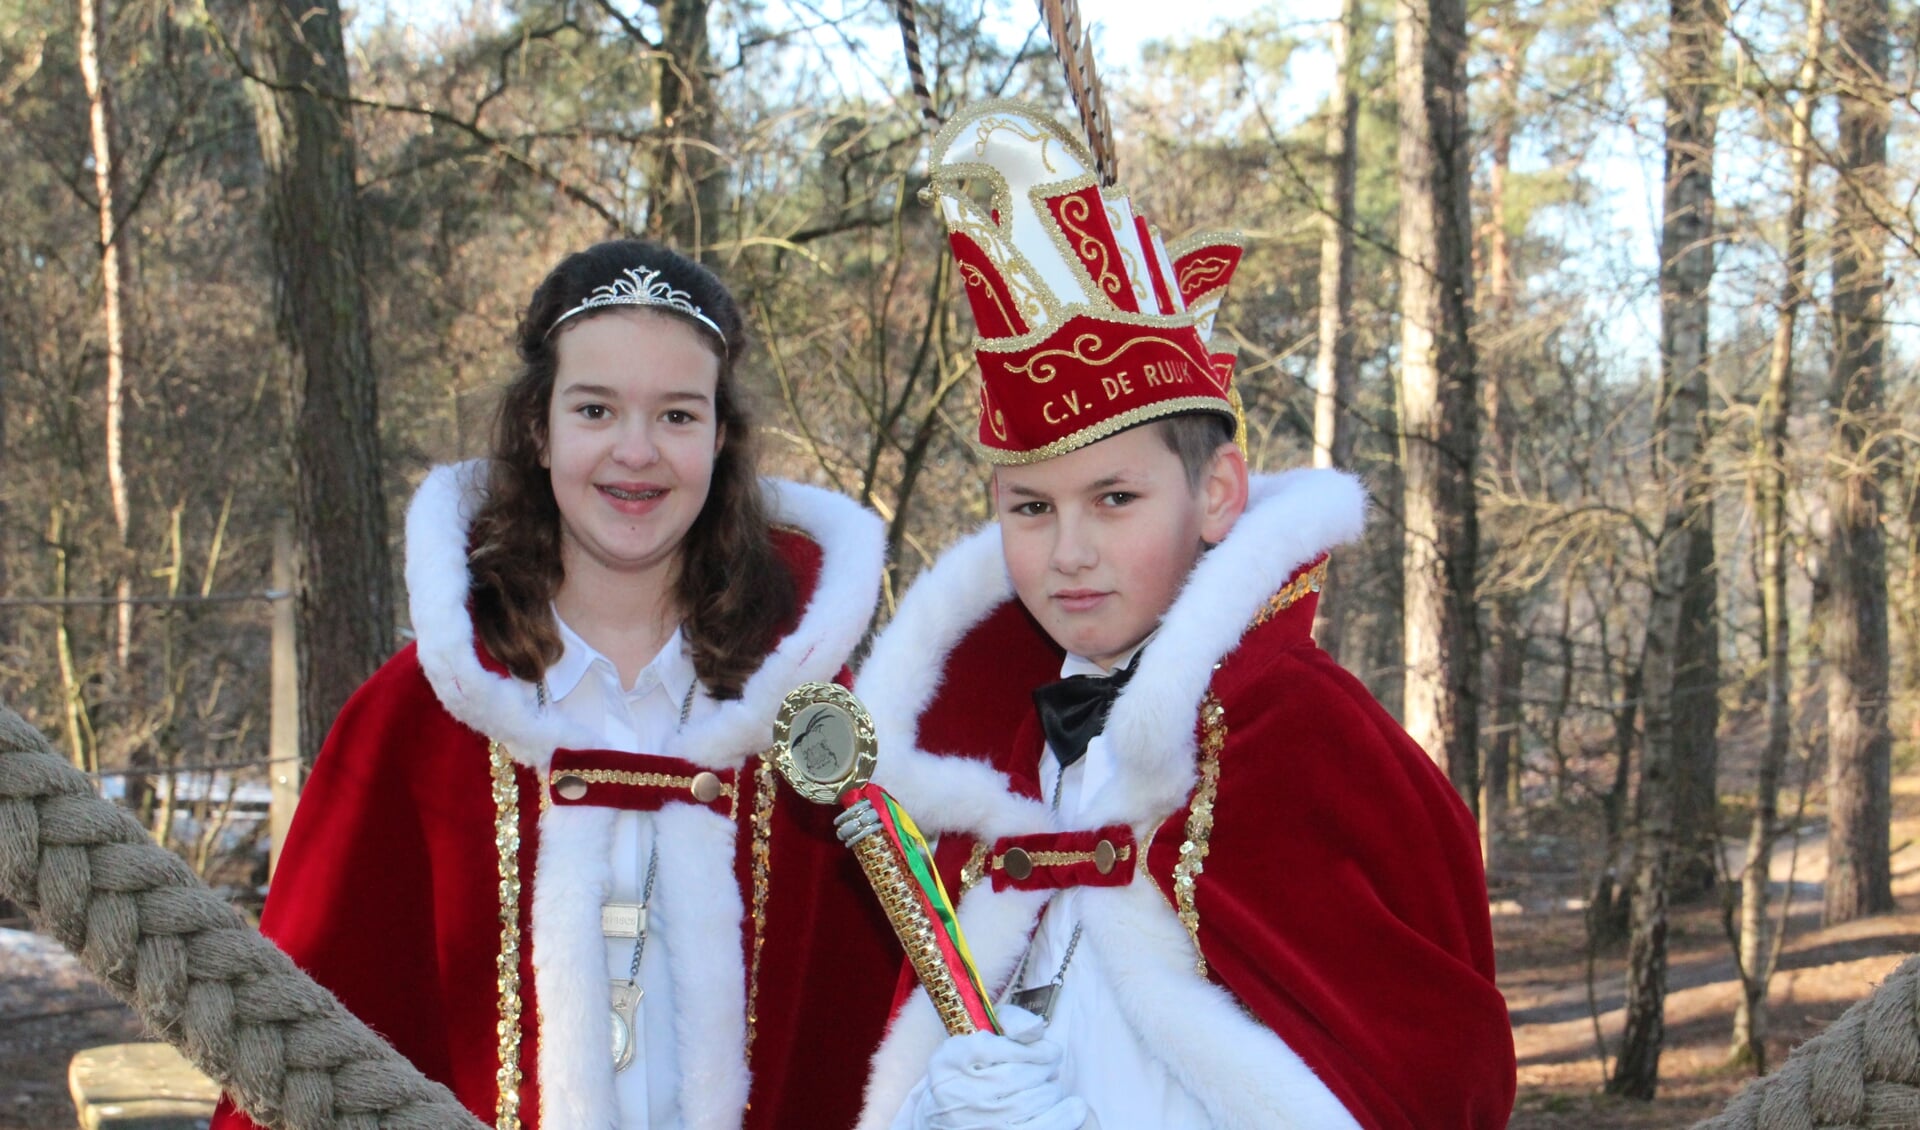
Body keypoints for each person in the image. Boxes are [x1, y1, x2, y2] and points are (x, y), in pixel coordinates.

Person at [849, 103, 1516, 1129]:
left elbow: (1428, 1082)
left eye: (1115, 499)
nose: (1068, 550)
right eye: (1031, 508)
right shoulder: (1000, 756)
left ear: (1215, 495)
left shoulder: (1299, 733)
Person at [211, 240, 898, 1130]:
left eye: (678, 415)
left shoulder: (809, 721)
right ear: (539, 429)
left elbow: (874, 1026)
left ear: (721, 438)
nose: (636, 452)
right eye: (596, 409)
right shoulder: (418, 717)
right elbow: (305, 1037)